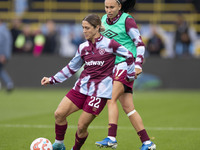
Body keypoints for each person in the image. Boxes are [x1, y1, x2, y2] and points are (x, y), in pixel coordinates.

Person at [41, 14, 135, 150]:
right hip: (81, 88)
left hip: (99, 93)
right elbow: (71, 67)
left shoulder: (110, 44)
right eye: (83, 28)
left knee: (81, 127)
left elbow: (129, 55)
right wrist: (52, 79)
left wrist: (130, 74)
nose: (84, 31)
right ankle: (59, 144)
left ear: (97, 28)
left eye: (87, 28)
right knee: (59, 114)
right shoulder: (83, 47)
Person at [95, 0, 156, 150]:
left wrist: (138, 65)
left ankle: (111, 137)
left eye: (111, 7)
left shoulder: (127, 20)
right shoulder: (103, 20)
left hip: (125, 64)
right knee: (128, 107)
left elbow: (139, 44)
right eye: (106, 7)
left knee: (111, 98)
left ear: (119, 6)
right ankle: (148, 142)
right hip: (113, 66)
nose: (108, 10)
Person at [0, 19, 14, 91]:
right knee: (1, 70)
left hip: (2, 55)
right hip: (5, 54)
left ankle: (9, 83)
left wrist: (3, 55)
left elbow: (3, 44)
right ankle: (9, 83)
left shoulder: (2, 31)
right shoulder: (6, 30)